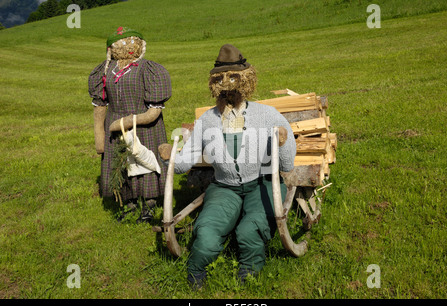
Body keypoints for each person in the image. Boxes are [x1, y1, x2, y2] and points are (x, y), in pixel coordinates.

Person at [159, 44, 296, 288]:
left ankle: (249, 272)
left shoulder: (267, 115)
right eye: (221, 81)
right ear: (215, 85)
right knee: (207, 234)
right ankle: (196, 272)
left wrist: (283, 141)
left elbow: (287, 163)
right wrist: (171, 157)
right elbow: (184, 163)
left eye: (233, 80)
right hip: (224, 188)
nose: (227, 89)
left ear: (245, 81)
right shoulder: (207, 120)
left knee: (250, 231)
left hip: (260, 184)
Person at [88, 27, 171, 220]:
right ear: (113, 48)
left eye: (134, 42)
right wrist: (99, 138)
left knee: (145, 161)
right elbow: (100, 105)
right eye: (124, 43)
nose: (130, 47)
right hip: (114, 124)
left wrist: (129, 121)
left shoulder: (148, 69)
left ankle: (149, 204)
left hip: (145, 126)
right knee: (122, 164)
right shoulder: (105, 70)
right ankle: (129, 203)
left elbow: (154, 110)